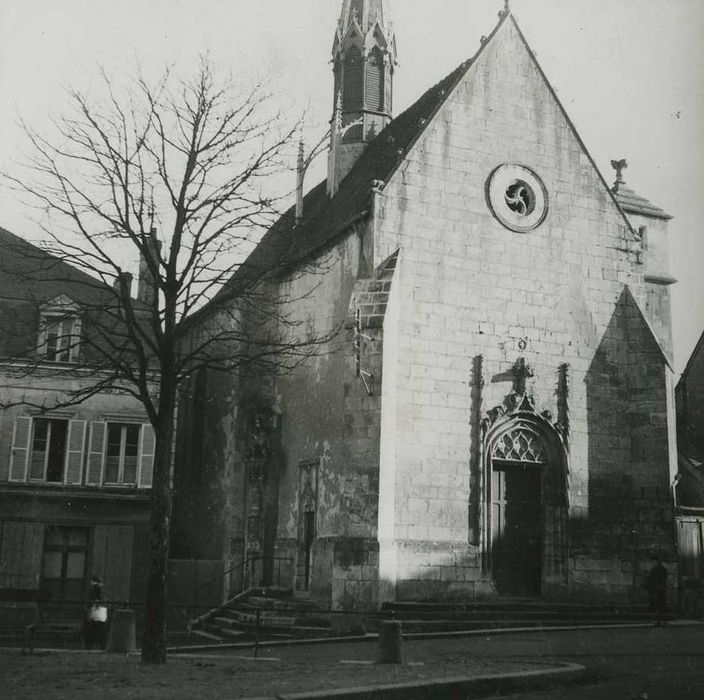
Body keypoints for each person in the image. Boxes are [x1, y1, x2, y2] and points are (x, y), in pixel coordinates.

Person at [84, 575, 108, 649]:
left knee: (92, 627)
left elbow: (97, 597)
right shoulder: (103, 589)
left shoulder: (95, 588)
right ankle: (102, 645)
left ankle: (90, 645)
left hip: (96, 609)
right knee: (101, 628)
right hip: (102, 610)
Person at [646, 558, 668, 627]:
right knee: (660, 606)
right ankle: (661, 621)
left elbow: (652, 579)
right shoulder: (663, 569)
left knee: (658, 606)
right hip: (661, 588)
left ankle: (659, 621)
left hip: (658, 589)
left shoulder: (655, 569)